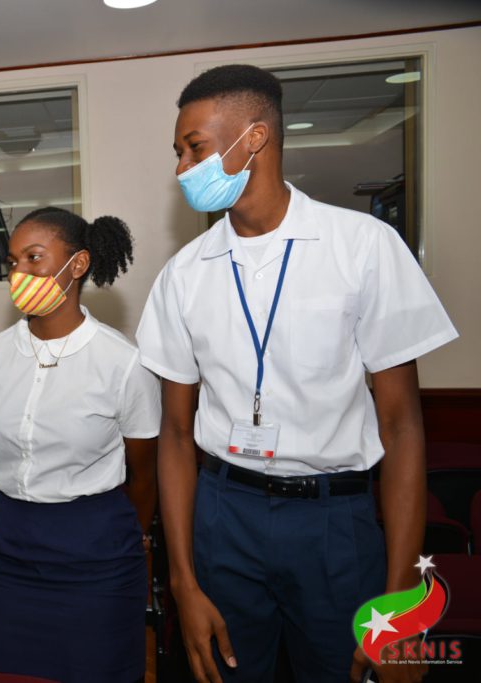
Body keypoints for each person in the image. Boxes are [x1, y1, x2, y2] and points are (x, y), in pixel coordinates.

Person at [136, 64, 458, 683]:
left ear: (253, 138)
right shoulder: (183, 274)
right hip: (224, 514)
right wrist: (182, 581)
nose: (182, 168)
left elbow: (401, 425)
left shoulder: (363, 246)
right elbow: (174, 434)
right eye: (178, 153)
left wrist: (400, 604)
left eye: (194, 148)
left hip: (334, 520)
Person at [0, 207, 161, 682]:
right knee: (5, 671)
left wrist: (130, 536)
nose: (18, 273)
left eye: (34, 258)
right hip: (9, 542)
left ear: (78, 264)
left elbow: (144, 475)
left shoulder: (122, 362)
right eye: (13, 261)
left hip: (96, 549)